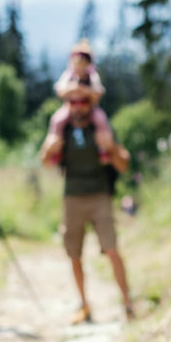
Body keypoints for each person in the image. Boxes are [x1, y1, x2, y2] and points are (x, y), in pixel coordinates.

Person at [39, 85, 134, 323]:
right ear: (67, 104)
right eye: (73, 102)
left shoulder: (101, 127)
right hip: (72, 197)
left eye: (83, 101)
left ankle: (128, 304)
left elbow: (123, 164)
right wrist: (48, 149)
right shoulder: (63, 130)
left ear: (90, 103)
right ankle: (84, 305)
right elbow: (47, 163)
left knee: (112, 249)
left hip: (100, 196)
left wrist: (110, 148)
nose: (78, 106)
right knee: (74, 254)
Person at [46, 39, 115, 162]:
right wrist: (72, 89)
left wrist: (85, 91)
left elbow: (98, 93)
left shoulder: (93, 76)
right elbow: (59, 91)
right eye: (78, 64)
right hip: (69, 109)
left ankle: (103, 148)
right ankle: (56, 148)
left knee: (101, 120)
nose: (80, 68)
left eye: (83, 64)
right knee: (57, 120)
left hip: (91, 109)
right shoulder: (68, 75)